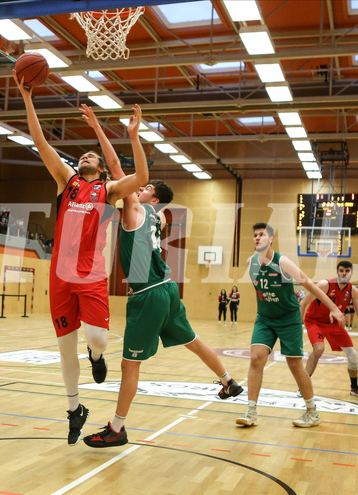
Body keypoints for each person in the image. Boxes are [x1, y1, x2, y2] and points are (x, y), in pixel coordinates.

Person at [80, 105, 242, 447]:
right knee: (192, 341)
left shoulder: (137, 209)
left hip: (148, 294)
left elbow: (114, 167)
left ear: (150, 195)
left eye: (145, 187)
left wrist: (113, 132)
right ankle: (227, 381)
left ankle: (117, 428)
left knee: (129, 365)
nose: (138, 187)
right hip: (167, 289)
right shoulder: (159, 218)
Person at [15, 72, 149, 445]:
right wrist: (28, 98)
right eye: (82, 154)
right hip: (59, 276)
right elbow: (39, 140)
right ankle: (75, 409)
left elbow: (142, 176)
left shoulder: (106, 190)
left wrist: (133, 137)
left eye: (91, 154)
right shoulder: (67, 182)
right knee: (63, 348)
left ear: (101, 168)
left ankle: (96, 355)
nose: (84, 155)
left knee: (98, 339)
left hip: (90, 276)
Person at [237, 223, 345, 428]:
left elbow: (310, 285)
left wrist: (333, 307)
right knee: (256, 358)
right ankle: (251, 412)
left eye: (262, 235)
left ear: (271, 240)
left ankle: (312, 412)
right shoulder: (250, 262)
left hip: (288, 319)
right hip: (265, 319)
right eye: (255, 235)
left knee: (294, 365)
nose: (257, 238)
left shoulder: (283, 262)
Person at [299, 261, 358, 399]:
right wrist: (299, 323)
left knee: (352, 355)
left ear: (351, 273)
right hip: (315, 322)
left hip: (334, 324)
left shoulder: (353, 290)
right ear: (337, 272)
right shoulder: (324, 285)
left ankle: (354, 388)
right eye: (341, 271)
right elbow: (303, 302)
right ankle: (302, 387)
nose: (344, 273)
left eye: (347, 271)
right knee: (319, 349)